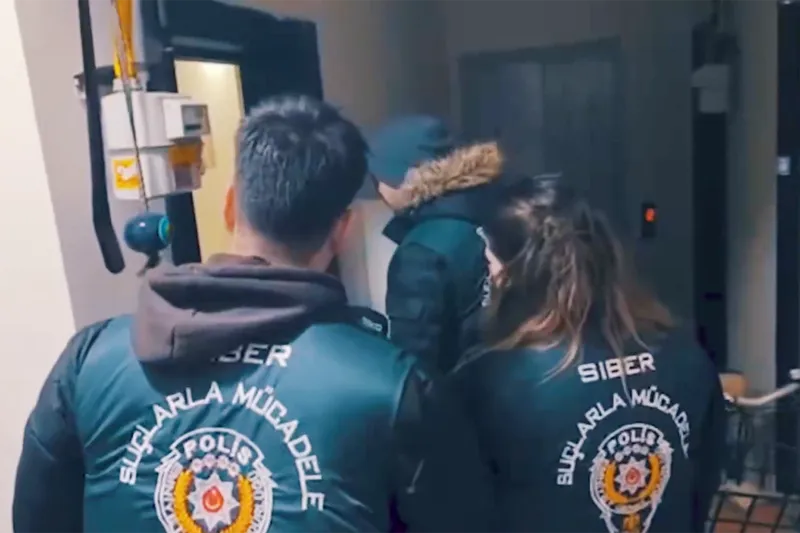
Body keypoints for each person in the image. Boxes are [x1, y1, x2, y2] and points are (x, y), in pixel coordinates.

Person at [13, 95, 491, 533]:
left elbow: (37, 520)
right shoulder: (393, 385)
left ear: (228, 205)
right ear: (342, 230)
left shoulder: (90, 360)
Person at [452, 175, 726, 533]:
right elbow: (701, 485)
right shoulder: (686, 357)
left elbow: (460, 507)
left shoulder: (486, 379)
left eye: (490, 264)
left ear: (511, 273)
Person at [370, 115, 502, 372]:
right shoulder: (503, 213)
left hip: (460, 391)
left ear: (398, 178)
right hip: (515, 382)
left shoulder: (421, 252)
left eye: (377, 179)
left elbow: (416, 361)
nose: (378, 190)